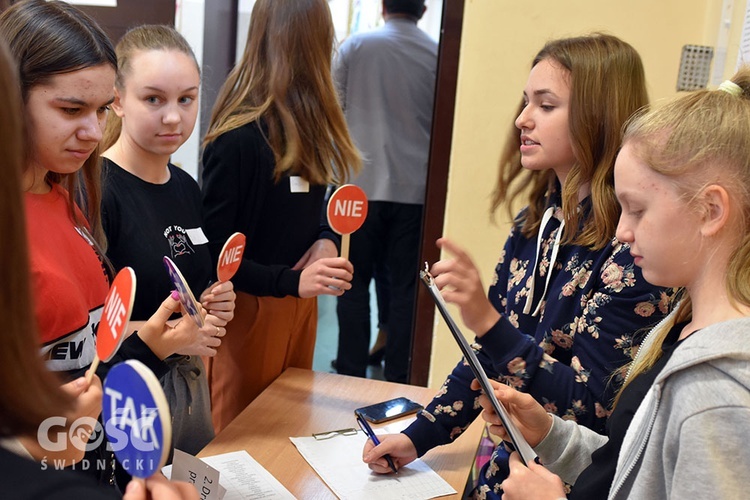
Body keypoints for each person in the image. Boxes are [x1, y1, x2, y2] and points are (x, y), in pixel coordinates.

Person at [362, 33, 675, 497]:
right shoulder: (534, 224)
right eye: (526, 102)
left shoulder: (633, 251)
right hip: (502, 471)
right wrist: (418, 436)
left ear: (597, 117)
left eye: (545, 106)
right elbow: (487, 359)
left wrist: (489, 325)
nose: (521, 119)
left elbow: (594, 408)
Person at [477, 69, 750, 500]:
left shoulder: (718, 392)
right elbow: (634, 470)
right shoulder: (680, 325)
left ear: (711, 210)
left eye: (637, 210)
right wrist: (552, 435)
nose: (622, 231)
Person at [1, 0, 217, 485]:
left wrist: (148, 346)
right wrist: (27, 442)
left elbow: (88, 374)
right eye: (71, 109)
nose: (94, 131)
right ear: (10, 98)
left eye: (100, 110)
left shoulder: (66, 200)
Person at [201, 0, 361, 432]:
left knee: (290, 429)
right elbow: (217, 260)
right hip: (248, 313)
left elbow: (317, 208)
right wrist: (291, 282)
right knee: (239, 440)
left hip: (298, 306)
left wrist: (327, 237)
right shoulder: (237, 138)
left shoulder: (309, 128)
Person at [99, 24, 236, 460]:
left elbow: (181, 290)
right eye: (153, 99)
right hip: (121, 396)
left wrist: (210, 304)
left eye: (186, 99)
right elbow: (84, 332)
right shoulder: (96, 189)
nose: (174, 117)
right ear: (118, 100)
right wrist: (174, 336)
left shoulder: (186, 187)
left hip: (187, 394)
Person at [333, 0, 438, 383]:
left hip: (358, 189)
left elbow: (335, 108)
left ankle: (348, 373)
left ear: (382, 6)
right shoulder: (436, 54)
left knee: (351, 282)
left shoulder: (355, 47)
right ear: (423, 10)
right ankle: (399, 376)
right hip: (416, 192)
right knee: (406, 290)